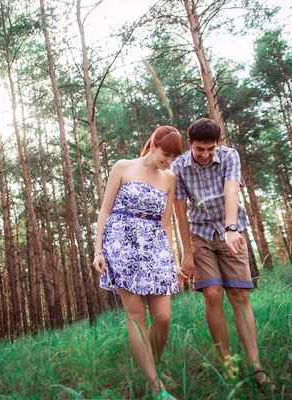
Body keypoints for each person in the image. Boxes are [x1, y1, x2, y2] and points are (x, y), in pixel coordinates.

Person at [171, 118, 272, 390]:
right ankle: (228, 366)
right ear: (190, 143)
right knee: (213, 293)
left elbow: (232, 190)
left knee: (239, 295)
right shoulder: (178, 166)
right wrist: (187, 253)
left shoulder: (230, 156)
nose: (205, 155)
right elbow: (179, 212)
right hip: (199, 233)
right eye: (200, 149)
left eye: (211, 149)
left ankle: (257, 366)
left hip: (231, 228)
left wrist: (231, 228)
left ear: (218, 145)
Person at [93, 126, 188, 400]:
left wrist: (170, 259)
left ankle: (150, 369)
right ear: (153, 144)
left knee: (163, 317)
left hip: (155, 247)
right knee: (135, 316)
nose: (168, 160)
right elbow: (105, 210)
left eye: (173, 156)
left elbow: (166, 222)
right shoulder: (123, 166)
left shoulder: (169, 178)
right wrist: (98, 251)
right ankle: (156, 386)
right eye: (165, 153)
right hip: (121, 245)